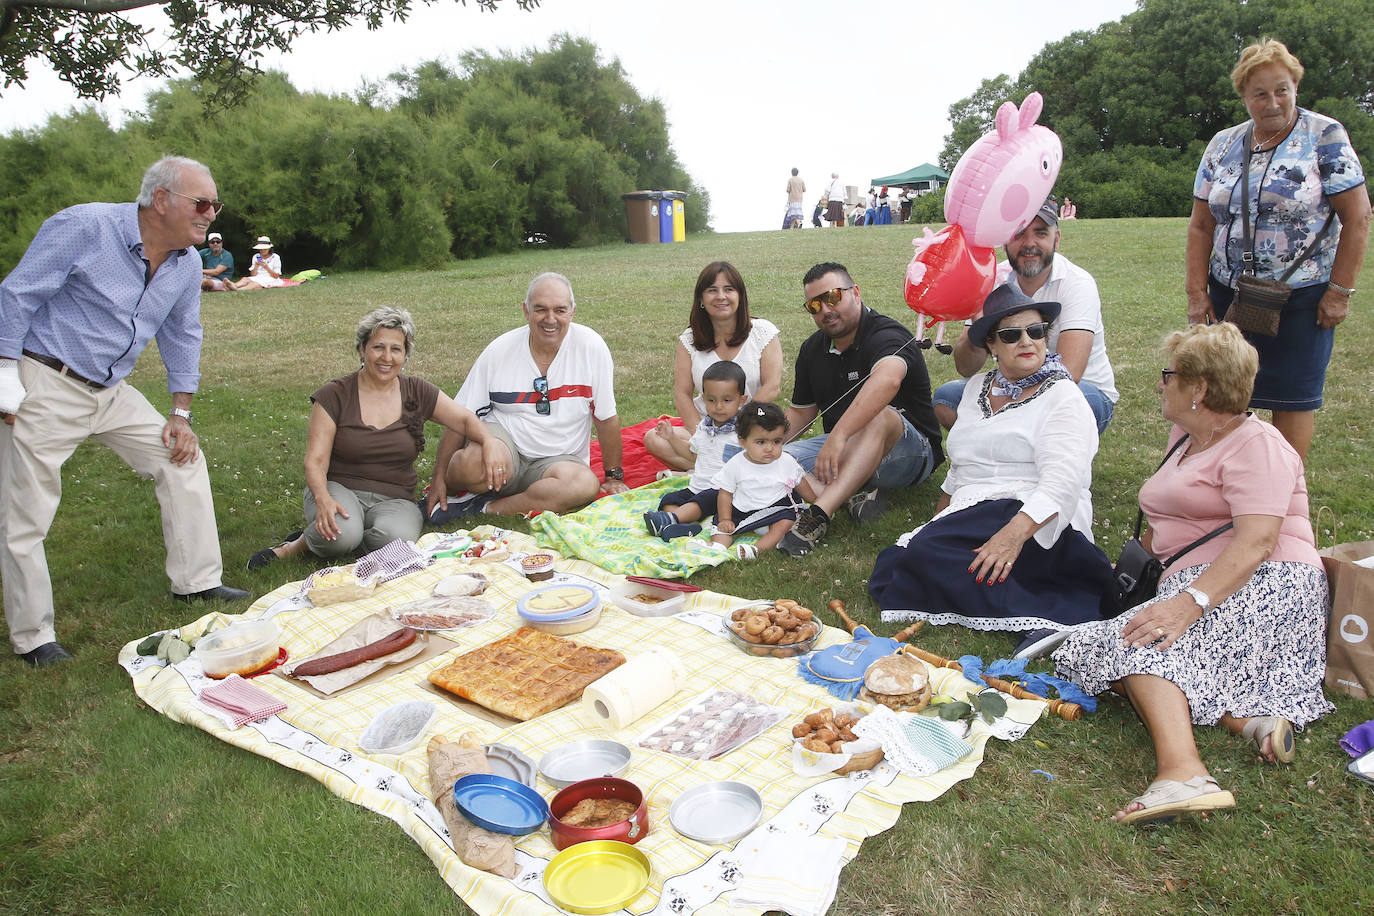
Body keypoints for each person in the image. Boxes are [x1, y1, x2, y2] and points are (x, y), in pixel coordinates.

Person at [1054, 322, 1333, 826]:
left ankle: (1184, 775)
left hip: (1268, 583)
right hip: (1202, 580)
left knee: (1141, 643)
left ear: (1199, 388)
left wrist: (1188, 604)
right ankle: (1247, 721)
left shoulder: (1259, 444)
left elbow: (1257, 542)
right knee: (1085, 650)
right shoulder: (1188, 435)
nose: (1162, 384)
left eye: (1170, 375)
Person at [0, 155, 249, 667]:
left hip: (112, 390)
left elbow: (182, 333)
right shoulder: (84, 227)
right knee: (26, 511)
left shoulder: (184, 263)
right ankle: (33, 637)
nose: (211, 215)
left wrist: (181, 414)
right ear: (161, 200)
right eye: (201, 203)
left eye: (215, 206)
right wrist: (5, 375)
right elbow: (17, 294)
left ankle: (197, 584)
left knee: (180, 456)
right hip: (47, 379)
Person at [868, 284, 1113, 660]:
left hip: (1035, 513)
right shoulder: (977, 388)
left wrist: (1012, 536)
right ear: (992, 346)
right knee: (901, 560)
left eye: (1037, 331)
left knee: (933, 561)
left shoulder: (1063, 396)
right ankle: (1037, 601)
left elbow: (1064, 481)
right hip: (975, 508)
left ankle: (1054, 614)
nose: (1027, 341)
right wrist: (937, 523)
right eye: (1012, 334)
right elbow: (961, 467)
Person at [1186, 38, 1370, 461]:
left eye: (1282, 89)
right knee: (1220, 391)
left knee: (1291, 398)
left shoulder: (1325, 136)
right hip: (1228, 294)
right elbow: (1200, 225)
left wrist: (1339, 292)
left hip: (1302, 298)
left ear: (1296, 87)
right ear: (1244, 97)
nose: (1273, 102)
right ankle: (1222, 488)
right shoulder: (1222, 144)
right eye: (1260, 93)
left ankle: (1281, 500)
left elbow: (1357, 217)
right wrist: (1198, 293)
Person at [247, 308, 500, 570]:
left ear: (405, 354)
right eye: (378, 347)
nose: (387, 358)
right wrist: (322, 498)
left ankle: (344, 538)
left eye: (396, 349)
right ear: (362, 349)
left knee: (396, 542)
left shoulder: (416, 391)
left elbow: (465, 420)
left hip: (395, 497)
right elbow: (315, 460)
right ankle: (296, 545)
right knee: (341, 534)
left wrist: (489, 441)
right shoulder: (334, 395)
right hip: (339, 487)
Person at [428, 272, 628, 520]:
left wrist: (612, 477)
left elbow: (606, 417)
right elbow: (461, 416)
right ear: (526, 310)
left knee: (584, 485)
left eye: (560, 310)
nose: (550, 319)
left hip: (559, 460)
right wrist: (439, 479)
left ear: (573, 312)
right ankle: (469, 488)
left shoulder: (591, 347)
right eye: (540, 309)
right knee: (470, 465)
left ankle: (484, 508)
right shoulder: (499, 351)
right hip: (504, 447)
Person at [778, 262, 944, 557]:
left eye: (832, 297)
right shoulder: (812, 349)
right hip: (846, 453)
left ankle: (819, 515)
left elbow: (889, 380)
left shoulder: (887, 334)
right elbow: (802, 413)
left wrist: (839, 435)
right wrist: (763, 446)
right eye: (814, 305)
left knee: (880, 415)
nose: (825, 310)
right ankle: (852, 498)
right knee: (776, 461)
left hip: (910, 452)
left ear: (855, 292)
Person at [935, 197, 1119, 435]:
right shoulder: (989, 280)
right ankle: (1014, 446)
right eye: (1019, 234)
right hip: (1008, 382)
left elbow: (1070, 372)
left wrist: (1004, 403)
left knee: (1076, 406)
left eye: (1041, 233)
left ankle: (1003, 442)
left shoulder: (1077, 283)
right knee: (947, 401)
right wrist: (976, 331)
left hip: (1080, 389)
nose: (1029, 243)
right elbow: (965, 368)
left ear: (1057, 239)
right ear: (1005, 242)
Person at [643, 261, 782, 472]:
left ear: (740, 296)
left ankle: (709, 470)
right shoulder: (689, 340)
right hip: (706, 426)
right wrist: (701, 434)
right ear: (701, 298)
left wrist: (739, 428)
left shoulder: (763, 332)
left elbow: (772, 386)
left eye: (729, 289)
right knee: (654, 438)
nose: (721, 296)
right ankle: (720, 468)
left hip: (751, 427)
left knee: (758, 446)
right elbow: (682, 394)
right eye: (712, 290)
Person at [643, 360, 747, 541]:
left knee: (703, 500)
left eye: (727, 400)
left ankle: (670, 520)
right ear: (703, 398)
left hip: (724, 492)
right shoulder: (704, 428)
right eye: (712, 400)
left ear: (742, 400)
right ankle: (685, 526)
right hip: (697, 486)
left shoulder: (744, 431)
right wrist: (672, 438)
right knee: (669, 499)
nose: (719, 406)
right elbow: (691, 454)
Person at [711, 402, 818, 558]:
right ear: (743, 441)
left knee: (786, 523)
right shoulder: (736, 464)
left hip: (778, 509)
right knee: (722, 527)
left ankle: (756, 549)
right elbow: (725, 493)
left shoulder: (787, 461)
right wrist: (725, 519)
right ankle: (718, 546)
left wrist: (816, 502)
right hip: (743, 510)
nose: (769, 448)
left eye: (776, 441)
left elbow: (800, 483)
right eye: (761, 442)